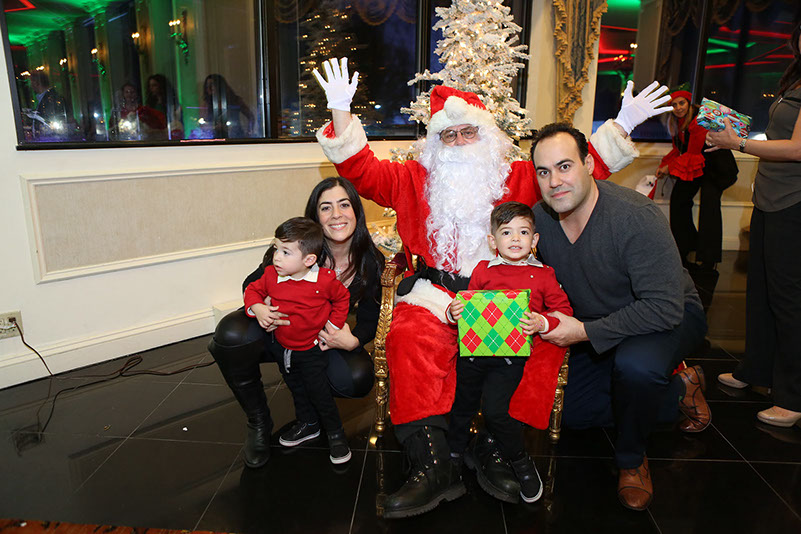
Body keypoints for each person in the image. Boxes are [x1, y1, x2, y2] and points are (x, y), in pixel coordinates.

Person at [313, 56, 671, 518]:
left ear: (486, 136)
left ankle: (497, 446)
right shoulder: (413, 178)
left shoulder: (517, 176)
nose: (460, 143)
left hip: (503, 293)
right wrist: (341, 112)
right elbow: (363, 171)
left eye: (469, 133)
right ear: (435, 142)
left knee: (536, 347)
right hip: (435, 295)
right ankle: (433, 464)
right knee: (410, 339)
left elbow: (579, 171)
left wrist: (622, 124)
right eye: (449, 135)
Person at [530, 122, 710, 511]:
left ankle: (631, 459)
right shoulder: (540, 221)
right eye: (543, 172)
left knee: (636, 368)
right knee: (572, 414)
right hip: (601, 324)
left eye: (564, 166)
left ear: (589, 164)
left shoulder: (635, 216)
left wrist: (584, 332)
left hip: (666, 316)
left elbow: (663, 307)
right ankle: (679, 389)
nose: (554, 182)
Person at [209, 177, 384, 469]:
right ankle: (259, 422)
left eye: (344, 205)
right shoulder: (291, 248)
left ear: (356, 210)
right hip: (277, 332)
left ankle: (322, 424)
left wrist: (354, 340)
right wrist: (261, 306)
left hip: (316, 341)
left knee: (356, 377)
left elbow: (370, 317)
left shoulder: (370, 261)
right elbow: (252, 284)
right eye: (326, 207)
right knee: (231, 333)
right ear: (315, 216)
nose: (336, 214)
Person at [706, 21, 801, 429]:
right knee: (760, 292)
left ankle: (793, 397)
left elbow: (797, 149)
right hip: (770, 198)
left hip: (794, 203)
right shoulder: (795, 77)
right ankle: (756, 370)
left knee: (788, 300)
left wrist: (738, 143)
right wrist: (732, 132)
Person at [445, 201, 572, 504]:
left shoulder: (544, 275)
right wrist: (454, 312)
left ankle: (520, 460)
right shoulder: (483, 270)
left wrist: (542, 321)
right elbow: (467, 306)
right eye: (506, 232)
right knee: (462, 404)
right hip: (474, 353)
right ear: (493, 241)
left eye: (523, 232)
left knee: (496, 410)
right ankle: (454, 454)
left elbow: (563, 311)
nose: (515, 238)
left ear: (534, 239)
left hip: (510, 357)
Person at [243, 216, 352, 464]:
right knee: (297, 389)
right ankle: (308, 423)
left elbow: (342, 299)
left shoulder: (323, 281)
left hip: (311, 351)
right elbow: (252, 290)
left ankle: (336, 434)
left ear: (309, 260)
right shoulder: (271, 276)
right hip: (283, 348)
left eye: (285, 252)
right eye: (276, 249)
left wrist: (333, 326)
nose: (276, 258)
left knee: (319, 393)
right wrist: (257, 308)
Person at [656, 84, 738, 270]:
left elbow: (693, 153)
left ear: (689, 102)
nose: (678, 108)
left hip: (717, 169)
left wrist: (670, 168)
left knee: (710, 205)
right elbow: (680, 150)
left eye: (682, 103)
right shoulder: (677, 122)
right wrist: (665, 165)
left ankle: (709, 258)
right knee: (679, 199)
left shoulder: (699, 120)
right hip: (698, 166)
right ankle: (687, 245)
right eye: (674, 105)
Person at [200, 74, 254, 138]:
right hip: (215, 138)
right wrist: (213, 127)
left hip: (235, 137)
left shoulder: (235, 100)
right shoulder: (207, 104)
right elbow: (202, 124)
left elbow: (251, 117)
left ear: (219, 86)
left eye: (212, 85)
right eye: (207, 86)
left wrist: (249, 132)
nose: (209, 88)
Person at [28, 71, 69, 140]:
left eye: (31, 82)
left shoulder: (51, 99)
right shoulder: (48, 98)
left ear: (36, 82)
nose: (30, 85)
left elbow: (50, 125)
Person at [141, 74, 183, 140]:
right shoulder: (150, 105)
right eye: (150, 86)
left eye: (154, 85)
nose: (151, 88)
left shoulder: (172, 105)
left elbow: (175, 124)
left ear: (161, 86)